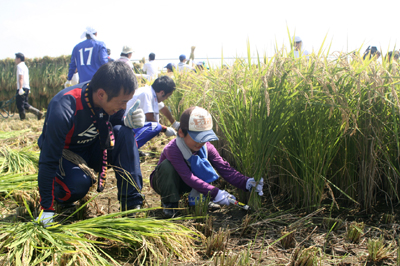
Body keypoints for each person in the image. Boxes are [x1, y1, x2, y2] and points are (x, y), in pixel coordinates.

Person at [36, 61, 146, 226]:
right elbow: (48, 160)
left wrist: (126, 121)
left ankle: (132, 206)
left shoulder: (108, 101)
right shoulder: (65, 107)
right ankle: (61, 197)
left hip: (93, 147)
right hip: (66, 155)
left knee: (124, 134)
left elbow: (115, 124)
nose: (124, 106)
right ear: (101, 94)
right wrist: (47, 209)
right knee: (77, 184)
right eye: (122, 102)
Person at [150, 106, 264, 217]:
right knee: (167, 166)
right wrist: (215, 193)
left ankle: (199, 200)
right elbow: (187, 177)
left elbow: (224, 168)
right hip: (164, 182)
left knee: (203, 164)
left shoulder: (206, 147)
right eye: (196, 137)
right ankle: (170, 204)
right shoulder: (173, 149)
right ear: (181, 133)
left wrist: (246, 182)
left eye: (204, 138)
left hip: (188, 182)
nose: (200, 142)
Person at [124, 76, 179, 149]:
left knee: (156, 126)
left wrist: (174, 123)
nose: (166, 99)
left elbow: (163, 108)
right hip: (126, 124)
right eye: (167, 96)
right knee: (156, 126)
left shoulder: (153, 94)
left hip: (131, 125)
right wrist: (165, 129)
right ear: (162, 92)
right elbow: (150, 118)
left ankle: (135, 147)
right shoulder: (147, 94)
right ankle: (131, 147)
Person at [14, 52, 43, 120]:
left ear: (18, 59)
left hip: (22, 88)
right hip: (26, 87)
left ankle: (23, 119)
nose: (15, 60)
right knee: (24, 104)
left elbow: (21, 77)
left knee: (20, 104)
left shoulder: (20, 66)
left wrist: (20, 88)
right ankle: (38, 113)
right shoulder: (25, 66)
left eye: (15, 58)